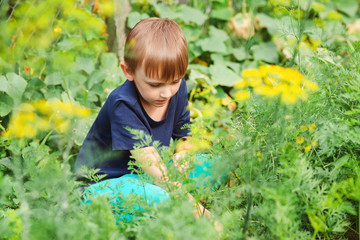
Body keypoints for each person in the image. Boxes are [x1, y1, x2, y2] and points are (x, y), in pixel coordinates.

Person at [74, 18, 217, 221]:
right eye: (155, 85)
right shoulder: (122, 103)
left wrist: (182, 157)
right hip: (104, 186)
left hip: (147, 178)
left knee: (214, 164)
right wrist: (198, 213)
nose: (166, 93)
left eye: (175, 81)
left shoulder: (177, 89)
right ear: (128, 71)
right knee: (161, 197)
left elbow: (184, 137)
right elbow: (152, 166)